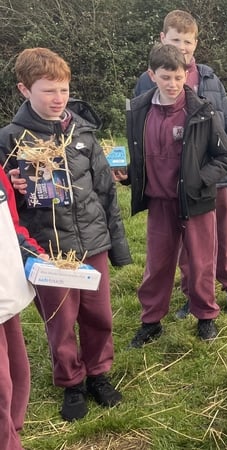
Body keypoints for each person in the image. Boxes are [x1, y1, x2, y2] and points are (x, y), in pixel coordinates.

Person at [0, 48, 132, 422]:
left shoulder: (83, 132)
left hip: (92, 243)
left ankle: (98, 374)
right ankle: (72, 381)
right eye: (49, 91)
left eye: (64, 89)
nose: (59, 98)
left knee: (99, 314)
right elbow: (5, 207)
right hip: (48, 249)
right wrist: (14, 188)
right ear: (25, 90)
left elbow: (105, 192)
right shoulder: (10, 139)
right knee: (60, 320)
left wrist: (118, 247)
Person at [134, 9, 227, 318]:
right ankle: (193, 294)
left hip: (215, 172)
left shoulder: (210, 78)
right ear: (162, 39)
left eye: (188, 41)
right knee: (191, 242)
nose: (182, 47)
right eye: (175, 40)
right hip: (177, 179)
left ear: (196, 43)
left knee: (224, 232)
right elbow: (140, 129)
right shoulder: (147, 81)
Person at [120, 43, 227, 348]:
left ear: (186, 74)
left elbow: (225, 156)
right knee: (157, 264)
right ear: (152, 75)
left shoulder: (202, 111)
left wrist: (199, 180)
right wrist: (129, 175)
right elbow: (142, 156)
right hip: (159, 202)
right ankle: (151, 322)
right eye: (165, 77)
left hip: (196, 203)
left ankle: (206, 316)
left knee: (201, 262)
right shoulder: (139, 110)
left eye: (178, 77)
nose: (172, 84)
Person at [0, 168, 45, 449]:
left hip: (6, 293)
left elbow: (11, 224)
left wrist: (34, 254)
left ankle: (12, 436)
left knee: (17, 375)